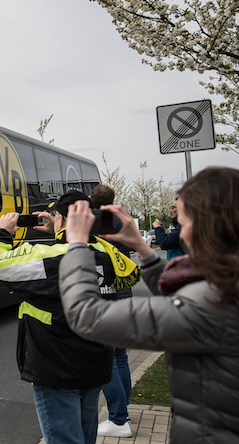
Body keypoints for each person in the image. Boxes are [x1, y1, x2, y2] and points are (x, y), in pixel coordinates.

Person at [58, 166, 239, 444]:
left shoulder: (213, 304)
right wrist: (145, 252)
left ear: (210, 224)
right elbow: (185, 294)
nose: (182, 235)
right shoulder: (233, 283)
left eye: (186, 224)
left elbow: (87, 317)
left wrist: (76, 245)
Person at [0, 191, 140, 444]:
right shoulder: (106, 253)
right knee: (86, 436)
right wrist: (62, 230)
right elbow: (128, 271)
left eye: (56, 215)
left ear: (63, 220)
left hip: (56, 367)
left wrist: (2, 232)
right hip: (95, 364)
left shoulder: (51, 256)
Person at [88, 184, 134, 438]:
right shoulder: (121, 219)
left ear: (93, 200)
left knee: (107, 358)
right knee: (120, 356)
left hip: (106, 292)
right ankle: (122, 412)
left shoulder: (99, 221)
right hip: (124, 290)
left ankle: (118, 418)